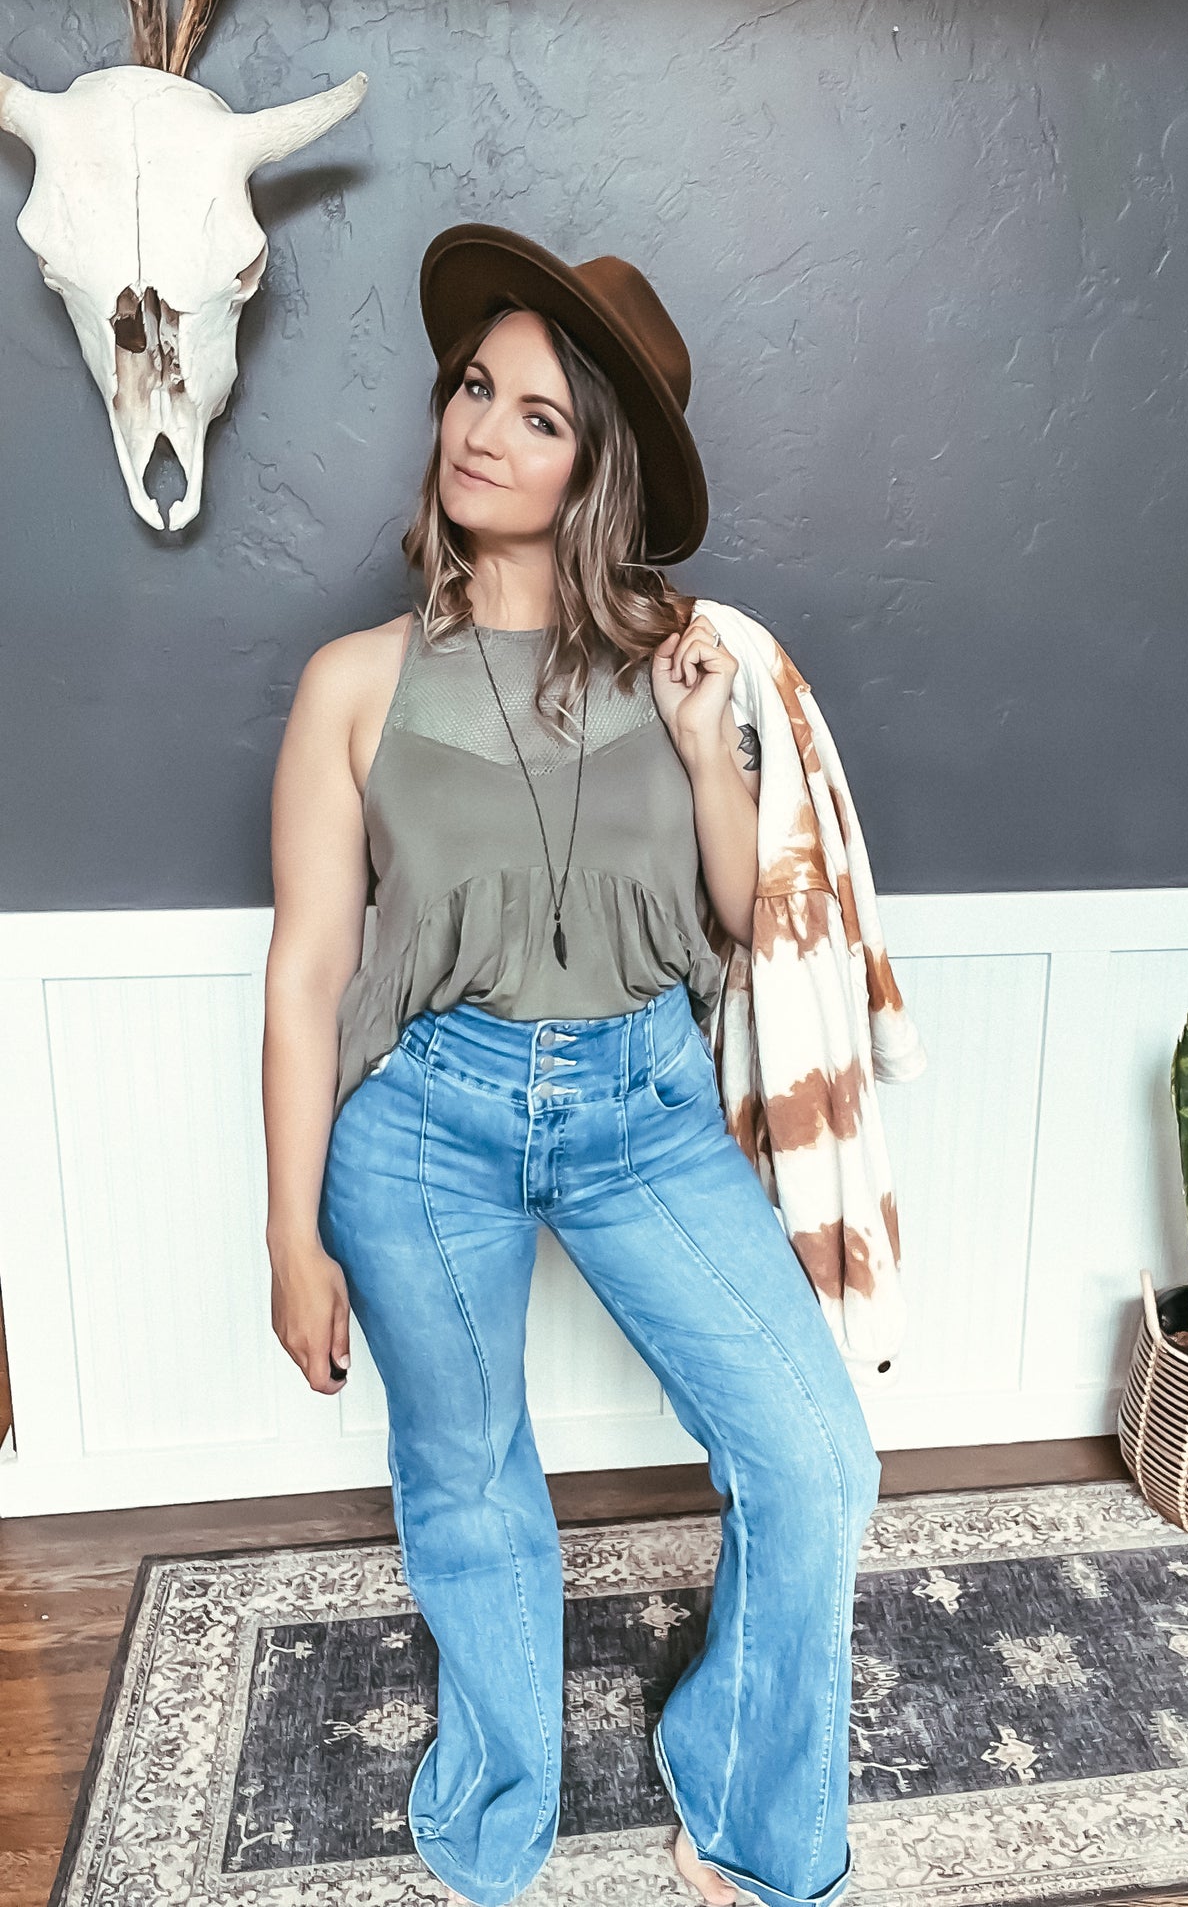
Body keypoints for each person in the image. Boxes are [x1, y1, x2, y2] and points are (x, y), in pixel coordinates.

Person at [262, 223, 882, 1907]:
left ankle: (746, 1807)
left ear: (595, 462)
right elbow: (309, 971)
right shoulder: (352, 685)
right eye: (475, 389)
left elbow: (746, 916)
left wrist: (698, 740)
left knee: (816, 1459)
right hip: (423, 1123)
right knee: (469, 1487)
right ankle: (494, 1807)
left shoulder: (688, 662)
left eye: (536, 415)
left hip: (641, 1114)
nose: (480, 431)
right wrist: (289, 1232)